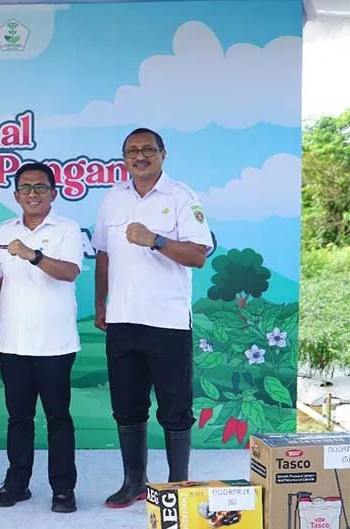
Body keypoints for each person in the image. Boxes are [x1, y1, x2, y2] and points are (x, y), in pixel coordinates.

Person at [91, 127, 213, 508]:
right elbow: (103, 254)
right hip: (123, 320)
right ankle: (134, 483)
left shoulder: (181, 197)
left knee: (175, 408)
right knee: (127, 406)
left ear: (163, 154)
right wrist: (100, 305)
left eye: (147, 149)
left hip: (167, 322)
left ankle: (177, 485)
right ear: (124, 158)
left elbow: (198, 255)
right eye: (132, 151)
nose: (139, 156)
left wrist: (156, 240)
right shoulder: (113, 199)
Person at [0, 162, 83, 513]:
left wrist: (33, 255)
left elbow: (70, 272)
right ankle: (17, 484)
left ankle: (63, 489)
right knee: (18, 418)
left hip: (56, 344)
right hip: (13, 343)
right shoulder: (3, 231)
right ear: (16, 195)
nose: (32, 194)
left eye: (40, 187)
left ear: (53, 193)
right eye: (25, 188)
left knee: (58, 418)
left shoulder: (67, 229)